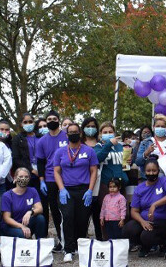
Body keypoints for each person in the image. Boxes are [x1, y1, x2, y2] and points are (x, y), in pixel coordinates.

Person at [52, 123, 98, 262]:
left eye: (75, 132)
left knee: (82, 219)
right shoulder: (60, 152)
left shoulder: (89, 151)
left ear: (80, 133)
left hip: (84, 190)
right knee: (67, 217)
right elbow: (56, 171)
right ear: (66, 135)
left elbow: (94, 171)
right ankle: (69, 249)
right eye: (70, 132)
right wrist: (61, 189)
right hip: (67, 190)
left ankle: (80, 245)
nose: (73, 134)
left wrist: (90, 190)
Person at [124, 160, 166, 257]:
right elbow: (134, 211)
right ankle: (145, 246)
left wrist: (154, 205)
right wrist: (142, 222)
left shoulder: (164, 180)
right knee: (128, 229)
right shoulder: (140, 188)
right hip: (145, 220)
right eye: (148, 171)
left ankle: (163, 243)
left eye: (154, 170)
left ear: (158, 171)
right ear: (144, 171)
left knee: (146, 236)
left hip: (162, 220)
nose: (151, 173)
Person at [35, 110, 67, 251]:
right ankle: (61, 241)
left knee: (67, 211)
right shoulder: (42, 141)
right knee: (55, 211)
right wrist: (42, 180)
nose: (52, 121)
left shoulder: (66, 136)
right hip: (49, 179)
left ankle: (71, 240)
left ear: (58, 120)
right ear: (46, 122)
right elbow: (40, 162)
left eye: (54, 118)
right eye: (49, 119)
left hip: (67, 178)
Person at [94, 121, 129, 239]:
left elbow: (124, 164)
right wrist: (108, 144)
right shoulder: (98, 147)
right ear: (100, 134)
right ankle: (107, 239)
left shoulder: (120, 146)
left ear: (114, 133)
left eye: (110, 132)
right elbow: (98, 158)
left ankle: (121, 239)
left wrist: (129, 161)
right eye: (105, 132)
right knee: (108, 214)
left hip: (120, 184)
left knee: (124, 213)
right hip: (106, 185)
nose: (108, 134)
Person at [1, 167, 46, 239]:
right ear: (15, 178)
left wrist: (30, 212)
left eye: (26, 177)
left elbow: (40, 208)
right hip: (11, 226)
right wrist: (21, 226)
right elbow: (6, 218)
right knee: (22, 234)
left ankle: (40, 243)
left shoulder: (33, 191)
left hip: (26, 223)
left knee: (40, 218)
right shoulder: (7, 195)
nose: (23, 179)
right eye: (21, 177)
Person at [81, 116, 105, 240]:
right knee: (84, 214)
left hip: (100, 182)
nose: (90, 129)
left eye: (93, 126)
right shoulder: (79, 144)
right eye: (88, 126)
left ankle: (100, 239)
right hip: (83, 181)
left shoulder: (101, 144)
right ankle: (82, 240)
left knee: (97, 212)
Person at [11, 113, 39, 188]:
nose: (28, 124)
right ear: (21, 124)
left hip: (42, 173)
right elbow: (16, 158)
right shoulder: (17, 139)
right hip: (26, 174)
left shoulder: (40, 136)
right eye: (25, 122)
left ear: (34, 122)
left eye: (30, 122)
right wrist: (31, 170)